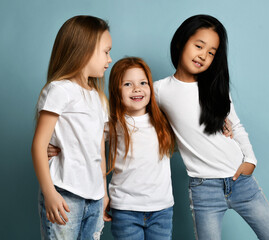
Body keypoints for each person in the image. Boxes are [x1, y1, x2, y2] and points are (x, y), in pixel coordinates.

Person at [153, 14, 269, 239]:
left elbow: (235, 125)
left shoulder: (215, 89)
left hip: (241, 181)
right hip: (204, 188)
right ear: (180, 42)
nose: (203, 56)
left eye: (211, 53)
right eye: (199, 46)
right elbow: (133, 118)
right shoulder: (159, 90)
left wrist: (251, 161)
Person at [31, 15, 112, 239]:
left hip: (94, 198)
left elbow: (99, 151)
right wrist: (49, 192)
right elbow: (39, 146)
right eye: (106, 51)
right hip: (65, 194)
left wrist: (103, 193)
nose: (110, 58)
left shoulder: (98, 98)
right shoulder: (59, 90)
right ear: (85, 50)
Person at [104, 57, 175, 240]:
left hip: (162, 210)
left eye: (143, 83)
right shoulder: (112, 124)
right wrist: (54, 146)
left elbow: (193, 127)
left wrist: (224, 124)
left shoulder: (163, 121)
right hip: (125, 210)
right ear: (116, 90)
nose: (137, 88)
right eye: (128, 84)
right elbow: (82, 142)